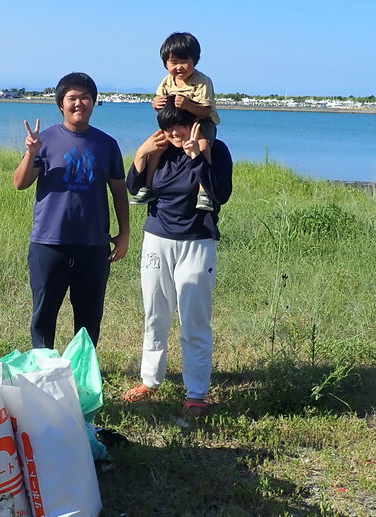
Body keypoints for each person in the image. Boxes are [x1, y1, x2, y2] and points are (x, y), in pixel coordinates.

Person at [122, 105, 233, 423]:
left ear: (195, 123)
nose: (174, 133)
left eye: (180, 125)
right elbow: (135, 188)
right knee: (155, 314)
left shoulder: (215, 149)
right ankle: (149, 380)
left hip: (197, 242)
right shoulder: (161, 150)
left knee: (194, 321)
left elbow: (220, 193)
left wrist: (196, 156)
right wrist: (142, 153)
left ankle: (196, 394)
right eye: (167, 127)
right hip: (157, 239)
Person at [13, 72, 131, 349]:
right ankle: (44, 367)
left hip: (93, 244)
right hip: (49, 242)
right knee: (44, 314)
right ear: (61, 104)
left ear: (94, 102)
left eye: (85, 97)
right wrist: (31, 152)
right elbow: (20, 183)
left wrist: (124, 234)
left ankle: (82, 368)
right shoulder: (45, 140)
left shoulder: (106, 144)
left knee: (89, 317)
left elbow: (118, 190)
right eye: (72, 98)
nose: (79, 103)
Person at [132, 32, 220, 213]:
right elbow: (162, 105)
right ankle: (147, 187)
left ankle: (204, 191)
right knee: (157, 147)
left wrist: (188, 105)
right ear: (165, 64)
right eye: (173, 62)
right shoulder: (167, 81)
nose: (179, 67)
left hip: (202, 123)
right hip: (174, 124)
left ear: (195, 60)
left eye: (184, 61)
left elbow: (206, 111)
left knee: (203, 145)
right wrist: (156, 104)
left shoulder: (202, 82)